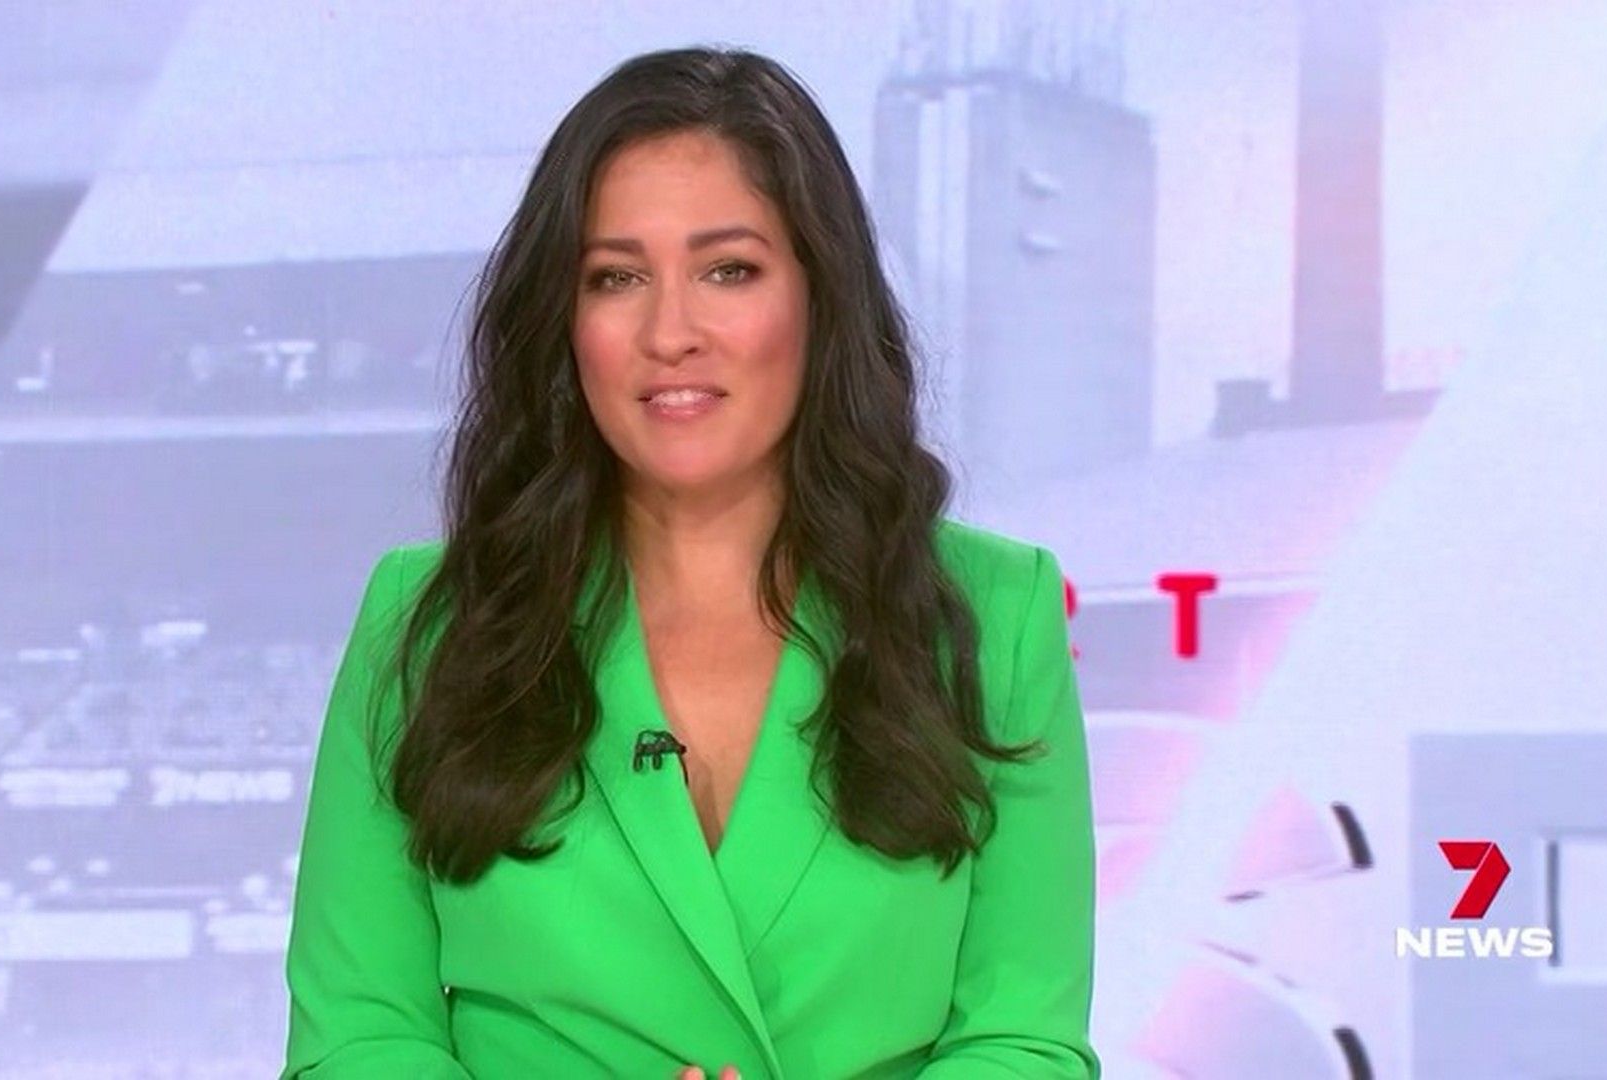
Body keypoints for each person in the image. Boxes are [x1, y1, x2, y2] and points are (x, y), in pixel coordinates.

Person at [281, 45, 1100, 1080]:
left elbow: (1024, 1037)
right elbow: (358, 1036)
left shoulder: (995, 615)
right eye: (616, 278)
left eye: (729, 271)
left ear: (820, 296)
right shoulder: (428, 621)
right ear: (563, 320)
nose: (670, 332)